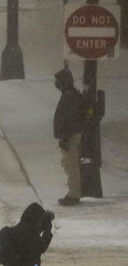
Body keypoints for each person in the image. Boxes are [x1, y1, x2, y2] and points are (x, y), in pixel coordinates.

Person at [53, 66, 84, 206]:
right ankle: (73, 192)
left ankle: (74, 194)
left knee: (71, 165)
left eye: (58, 81)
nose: (56, 84)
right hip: (70, 135)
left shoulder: (69, 97)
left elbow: (69, 119)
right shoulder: (70, 95)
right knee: (70, 165)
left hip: (70, 136)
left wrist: (65, 137)